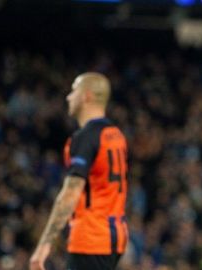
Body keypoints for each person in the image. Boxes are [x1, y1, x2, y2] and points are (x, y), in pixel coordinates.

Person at [30, 72, 128, 270]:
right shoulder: (116, 135)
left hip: (91, 237)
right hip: (115, 235)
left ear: (87, 96)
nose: (68, 96)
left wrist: (44, 245)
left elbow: (70, 193)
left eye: (74, 90)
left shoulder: (85, 137)